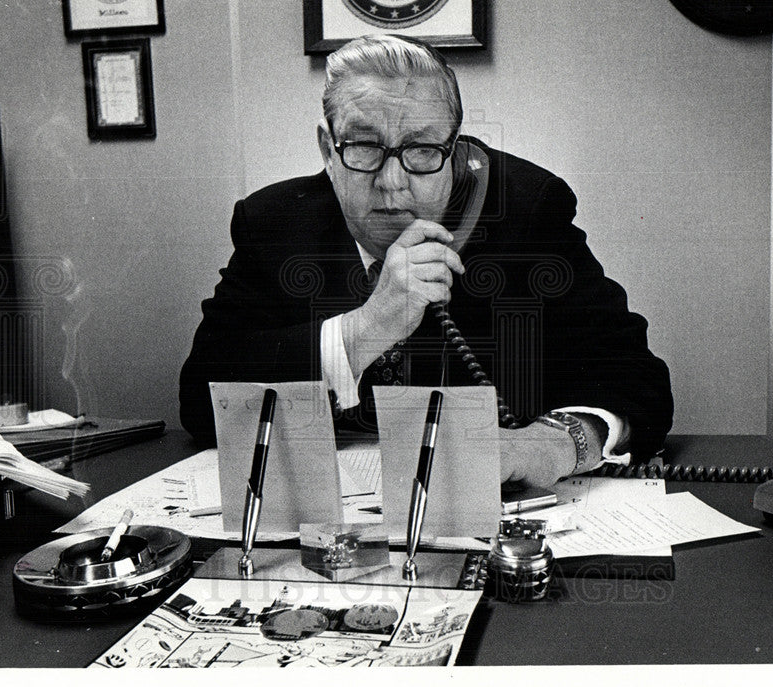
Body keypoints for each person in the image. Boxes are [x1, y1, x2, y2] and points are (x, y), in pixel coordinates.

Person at [179, 34, 673, 487]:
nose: (393, 181)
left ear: (454, 151)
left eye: (421, 149)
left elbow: (638, 382)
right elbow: (202, 401)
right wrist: (363, 329)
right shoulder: (272, 224)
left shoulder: (527, 210)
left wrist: (551, 443)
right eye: (365, 146)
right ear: (328, 149)